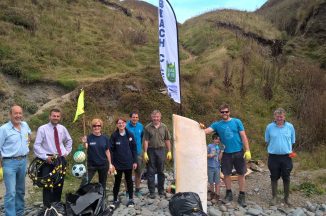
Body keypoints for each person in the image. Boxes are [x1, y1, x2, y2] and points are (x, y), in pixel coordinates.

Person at [204, 103, 251, 207]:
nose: (225, 113)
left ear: (229, 112)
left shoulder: (237, 121)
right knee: (226, 174)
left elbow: (243, 136)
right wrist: (198, 128)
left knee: (241, 174)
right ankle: (228, 193)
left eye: (226, 111)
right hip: (226, 153)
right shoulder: (217, 124)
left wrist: (247, 150)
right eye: (222, 112)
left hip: (238, 152)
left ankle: (242, 195)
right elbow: (206, 131)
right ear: (220, 113)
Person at [34, 108, 73, 208]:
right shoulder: (42, 129)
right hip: (47, 160)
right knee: (47, 185)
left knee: (59, 183)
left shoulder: (62, 129)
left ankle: (57, 205)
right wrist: (44, 156)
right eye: (54, 116)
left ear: (60, 117)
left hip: (60, 160)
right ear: (49, 116)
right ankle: (47, 208)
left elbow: (69, 140)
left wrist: (67, 152)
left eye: (57, 116)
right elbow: (36, 146)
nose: (55, 118)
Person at [0, 105, 31, 216]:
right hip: (9, 163)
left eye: (20, 113)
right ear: (10, 115)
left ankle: (19, 212)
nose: (18, 115)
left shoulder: (25, 125)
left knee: (20, 190)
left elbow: (29, 135)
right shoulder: (3, 129)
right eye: (15, 113)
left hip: (23, 161)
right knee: (11, 193)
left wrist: (26, 145)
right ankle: (10, 214)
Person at [265, 108, 295, 206]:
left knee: (286, 177)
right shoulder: (269, 127)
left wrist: (288, 151)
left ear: (284, 117)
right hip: (273, 157)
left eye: (281, 116)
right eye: (277, 116)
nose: (279, 118)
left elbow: (293, 141)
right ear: (275, 117)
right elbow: (267, 140)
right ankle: (274, 197)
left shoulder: (290, 127)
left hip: (286, 157)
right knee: (274, 177)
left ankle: (287, 198)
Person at [143, 110, 172, 199]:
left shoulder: (164, 127)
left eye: (157, 117)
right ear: (151, 117)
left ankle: (161, 190)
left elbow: (167, 140)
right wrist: (145, 152)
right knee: (150, 172)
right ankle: (152, 191)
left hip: (161, 150)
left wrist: (169, 151)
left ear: (160, 117)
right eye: (154, 117)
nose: (156, 118)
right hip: (150, 151)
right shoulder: (147, 127)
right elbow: (146, 141)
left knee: (161, 171)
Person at [109, 117, 137, 208]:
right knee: (117, 181)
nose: (121, 125)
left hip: (128, 163)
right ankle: (115, 199)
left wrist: (135, 161)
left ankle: (131, 199)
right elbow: (111, 150)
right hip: (117, 164)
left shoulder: (130, 134)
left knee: (129, 181)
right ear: (117, 125)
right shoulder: (114, 136)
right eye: (119, 123)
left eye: (123, 123)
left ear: (125, 124)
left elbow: (134, 149)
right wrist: (111, 163)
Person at [81, 118, 113, 195]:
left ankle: (102, 200)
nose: (97, 127)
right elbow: (84, 148)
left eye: (98, 125)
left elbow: (107, 151)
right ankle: (80, 199)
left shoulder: (105, 138)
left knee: (102, 185)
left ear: (101, 127)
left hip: (103, 165)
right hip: (91, 165)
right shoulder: (88, 138)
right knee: (84, 183)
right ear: (92, 127)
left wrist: (110, 164)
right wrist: (83, 143)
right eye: (94, 126)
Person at [126, 111, 144, 197]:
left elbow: (142, 138)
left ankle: (137, 190)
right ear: (130, 118)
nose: (135, 119)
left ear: (138, 118)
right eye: (133, 117)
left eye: (136, 117)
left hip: (138, 152)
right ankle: (127, 191)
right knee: (127, 172)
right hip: (127, 153)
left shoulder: (141, 126)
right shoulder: (125, 126)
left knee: (138, 172)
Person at [207, 133, 224, 201]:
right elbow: (205, 154)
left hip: (217, 167)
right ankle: (212, 194)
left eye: (219, 139)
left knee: (217, 182)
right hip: (210, 166)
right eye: (216, 139)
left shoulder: (219, 147)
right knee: (211, 181)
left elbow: (220, 158)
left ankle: (217, 195)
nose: (217, 140)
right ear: (213, 139)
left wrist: (222, 151)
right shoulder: (209, 146)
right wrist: (210, 155)